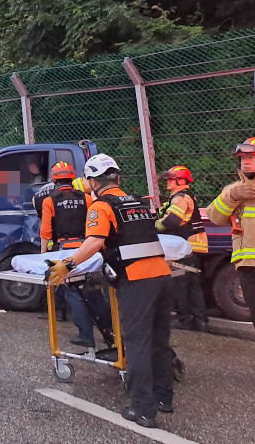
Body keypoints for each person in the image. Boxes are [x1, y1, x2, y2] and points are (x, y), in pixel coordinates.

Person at [48, 154, 173, 427]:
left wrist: (67, 264)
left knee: (137, 343)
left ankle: (143, 409)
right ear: (117, 177)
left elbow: (94, 242)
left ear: (92, 181)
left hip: (137, 281)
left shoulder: (101, 206)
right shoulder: (138, 203)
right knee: (159, 341)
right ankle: (164, 398)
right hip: (163, 276)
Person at [205, 138, 255, 384]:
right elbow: (215, 216)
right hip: (249, 269)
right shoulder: (234, 190)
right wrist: (233, 196)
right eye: (243, 159)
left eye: (251, 158)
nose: (245, 162)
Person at [39, 161, 110, 347]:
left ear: (54, 179)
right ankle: (109, 330)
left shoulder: (49, 200)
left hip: (66, 251)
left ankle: (86, 336)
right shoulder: (86, 198)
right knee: (92, 290)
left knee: (72, 291)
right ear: (72, 177)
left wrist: (42, 254)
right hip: (87, 249)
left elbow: (46, 232)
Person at [155, 165, 209, 332]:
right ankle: (201, 321)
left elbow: (171, 221)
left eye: (170, 179)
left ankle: (184, 320)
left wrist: (154, 226)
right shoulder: (186, 195)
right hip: (192, 245)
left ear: (180, 181)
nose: (167, 182)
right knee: (193, 285)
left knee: (179, 284)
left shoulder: (179, 198)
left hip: (183, 247)